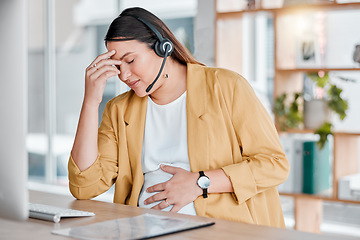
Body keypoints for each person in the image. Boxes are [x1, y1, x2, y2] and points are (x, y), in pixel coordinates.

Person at [68, 7, 289, 228]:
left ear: (162, 47)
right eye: (118, 66)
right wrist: (90, 101)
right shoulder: (119, 109)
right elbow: (84, 186)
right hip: (142, 230)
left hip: (219, 231)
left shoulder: (226, 86)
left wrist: (200, 182)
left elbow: (274, 165)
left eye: (131, 60)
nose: (124, 75)